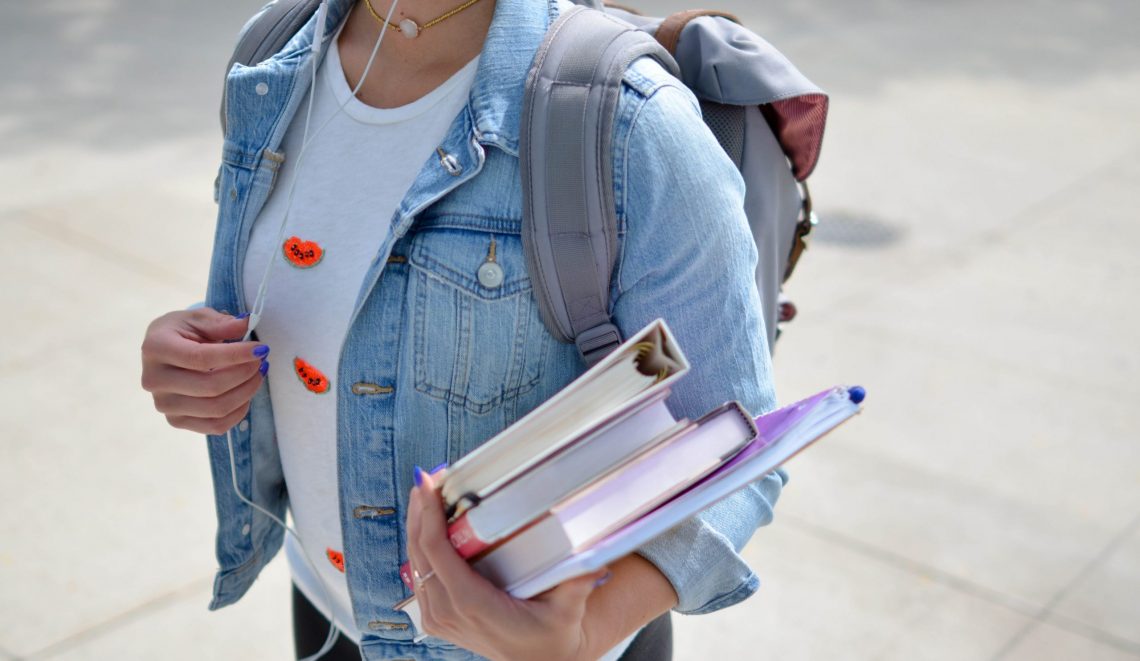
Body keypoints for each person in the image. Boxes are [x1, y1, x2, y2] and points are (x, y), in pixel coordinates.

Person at [140, 0, 786, 658]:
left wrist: (583, 633)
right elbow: (316, 296)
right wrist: (198, 357)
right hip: (329, 614)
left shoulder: (630, 121)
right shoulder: (273, 54)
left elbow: (735, 444)